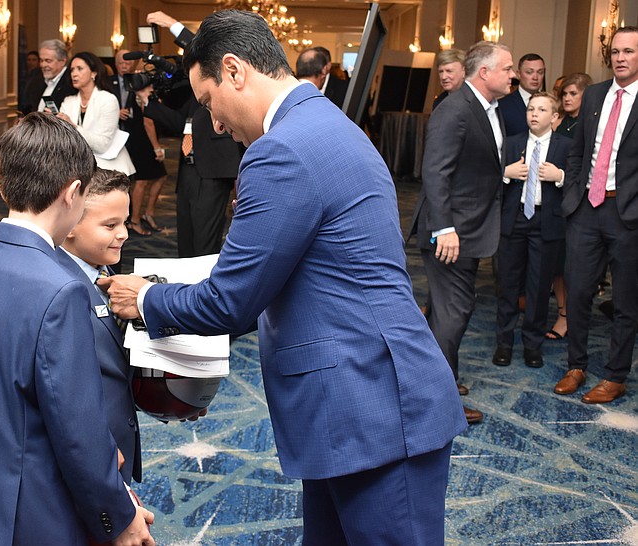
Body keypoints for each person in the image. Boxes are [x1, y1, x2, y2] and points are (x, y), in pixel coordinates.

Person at [100, 10, 466, 544]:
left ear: (234, 71)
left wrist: (149, 298)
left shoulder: (282, 150)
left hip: (372, 406)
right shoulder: (325, 122)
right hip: (354, 400)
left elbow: (232, 301)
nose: (216, 125)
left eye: (208, 104)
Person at [0, 113, 154, 546]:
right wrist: (118, 514)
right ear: (74, 193)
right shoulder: (62, 289)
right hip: (34, 509)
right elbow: (78, 429)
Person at [411, 41, 516, 425]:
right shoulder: (455, 109)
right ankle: (436, 400)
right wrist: (444, 228)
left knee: (446, 311)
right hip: (450, 232)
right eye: (506, 68)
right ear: (484, 72)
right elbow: (436, 172)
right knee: (454, 313)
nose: (512, 74)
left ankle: (440, 381)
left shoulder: (489, 109)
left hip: (471, 228)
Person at [554, 26, 638, 404]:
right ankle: (576, 365)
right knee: (579, 292)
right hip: (586, 209)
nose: (620, 57)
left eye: (629, 52)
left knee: (625, 300)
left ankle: (615, 376)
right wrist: (574, 194)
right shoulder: (595, 94)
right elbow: (578, 151)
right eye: (616, 51)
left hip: (628, 214)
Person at [55, 168, 141, 485]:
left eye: (125, 222)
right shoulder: (63, 294)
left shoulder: (105, 271)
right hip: (91, 458)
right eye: (110, 225)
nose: (124, 234)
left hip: (118, 437)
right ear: (73, 223)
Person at [140, 11, 242, 258]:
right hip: (188, 166)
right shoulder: (191, 92)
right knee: (185, 235)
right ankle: (187, 285)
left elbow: (203, 49)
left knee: (205, 240)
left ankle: (204, 288)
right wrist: (148, 103)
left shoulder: (221, 71)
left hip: (214, 167)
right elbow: (180, 122)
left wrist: (173, 24)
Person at [493, 92, 569, 368]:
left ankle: (532, 345)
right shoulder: (511, 144)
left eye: (541, 110)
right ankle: (504, 343)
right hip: (514, 219)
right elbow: (490, 177)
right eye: (530, 109)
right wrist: (506, 173)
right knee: (508, 284)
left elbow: (577, 178)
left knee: (538, 287)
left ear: (555, 117)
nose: (534, 114)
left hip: (545, 221)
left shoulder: (565, 146)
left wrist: (559, 177)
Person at [546, 72, 593, 341]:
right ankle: (562, 314)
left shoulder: (590, 124)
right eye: (564, 93)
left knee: (575, 266)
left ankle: (575, 316)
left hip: (581, 203)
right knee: (557, 265)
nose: (567, 98)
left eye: (573, 93)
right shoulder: (559, 123)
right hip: (556, 202)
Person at [111, 50, 167, 236]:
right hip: (128, 138)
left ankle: (143, 215)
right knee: (140, 181)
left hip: (140, 138)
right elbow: (148, 120)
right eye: (121, 62)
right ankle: (134, 219)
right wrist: (157, 147)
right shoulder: (107, 84)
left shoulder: (140, 83)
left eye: (128, 62)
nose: (125, 66)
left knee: (155, 177)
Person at [58, 51, 135, 178]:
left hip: (108, 171)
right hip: (78, 169)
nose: (74, 74)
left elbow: (102, 145)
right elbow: (62, 140)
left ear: (94, 73)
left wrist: (73, 127)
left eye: (80, 69)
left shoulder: (108, 100)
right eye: (72, 70)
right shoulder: (69, 101)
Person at [20, 39, 75, 115]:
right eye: (41, 61)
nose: (43, 65)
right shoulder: (37, 77)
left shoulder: (71, 82)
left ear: (62, 61)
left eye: (48, 61)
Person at [499, 53, 546, 136]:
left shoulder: (550, 104)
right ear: (518, 74)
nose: (535, 77)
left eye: (540, 72)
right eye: (529, 72)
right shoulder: (502, 106)